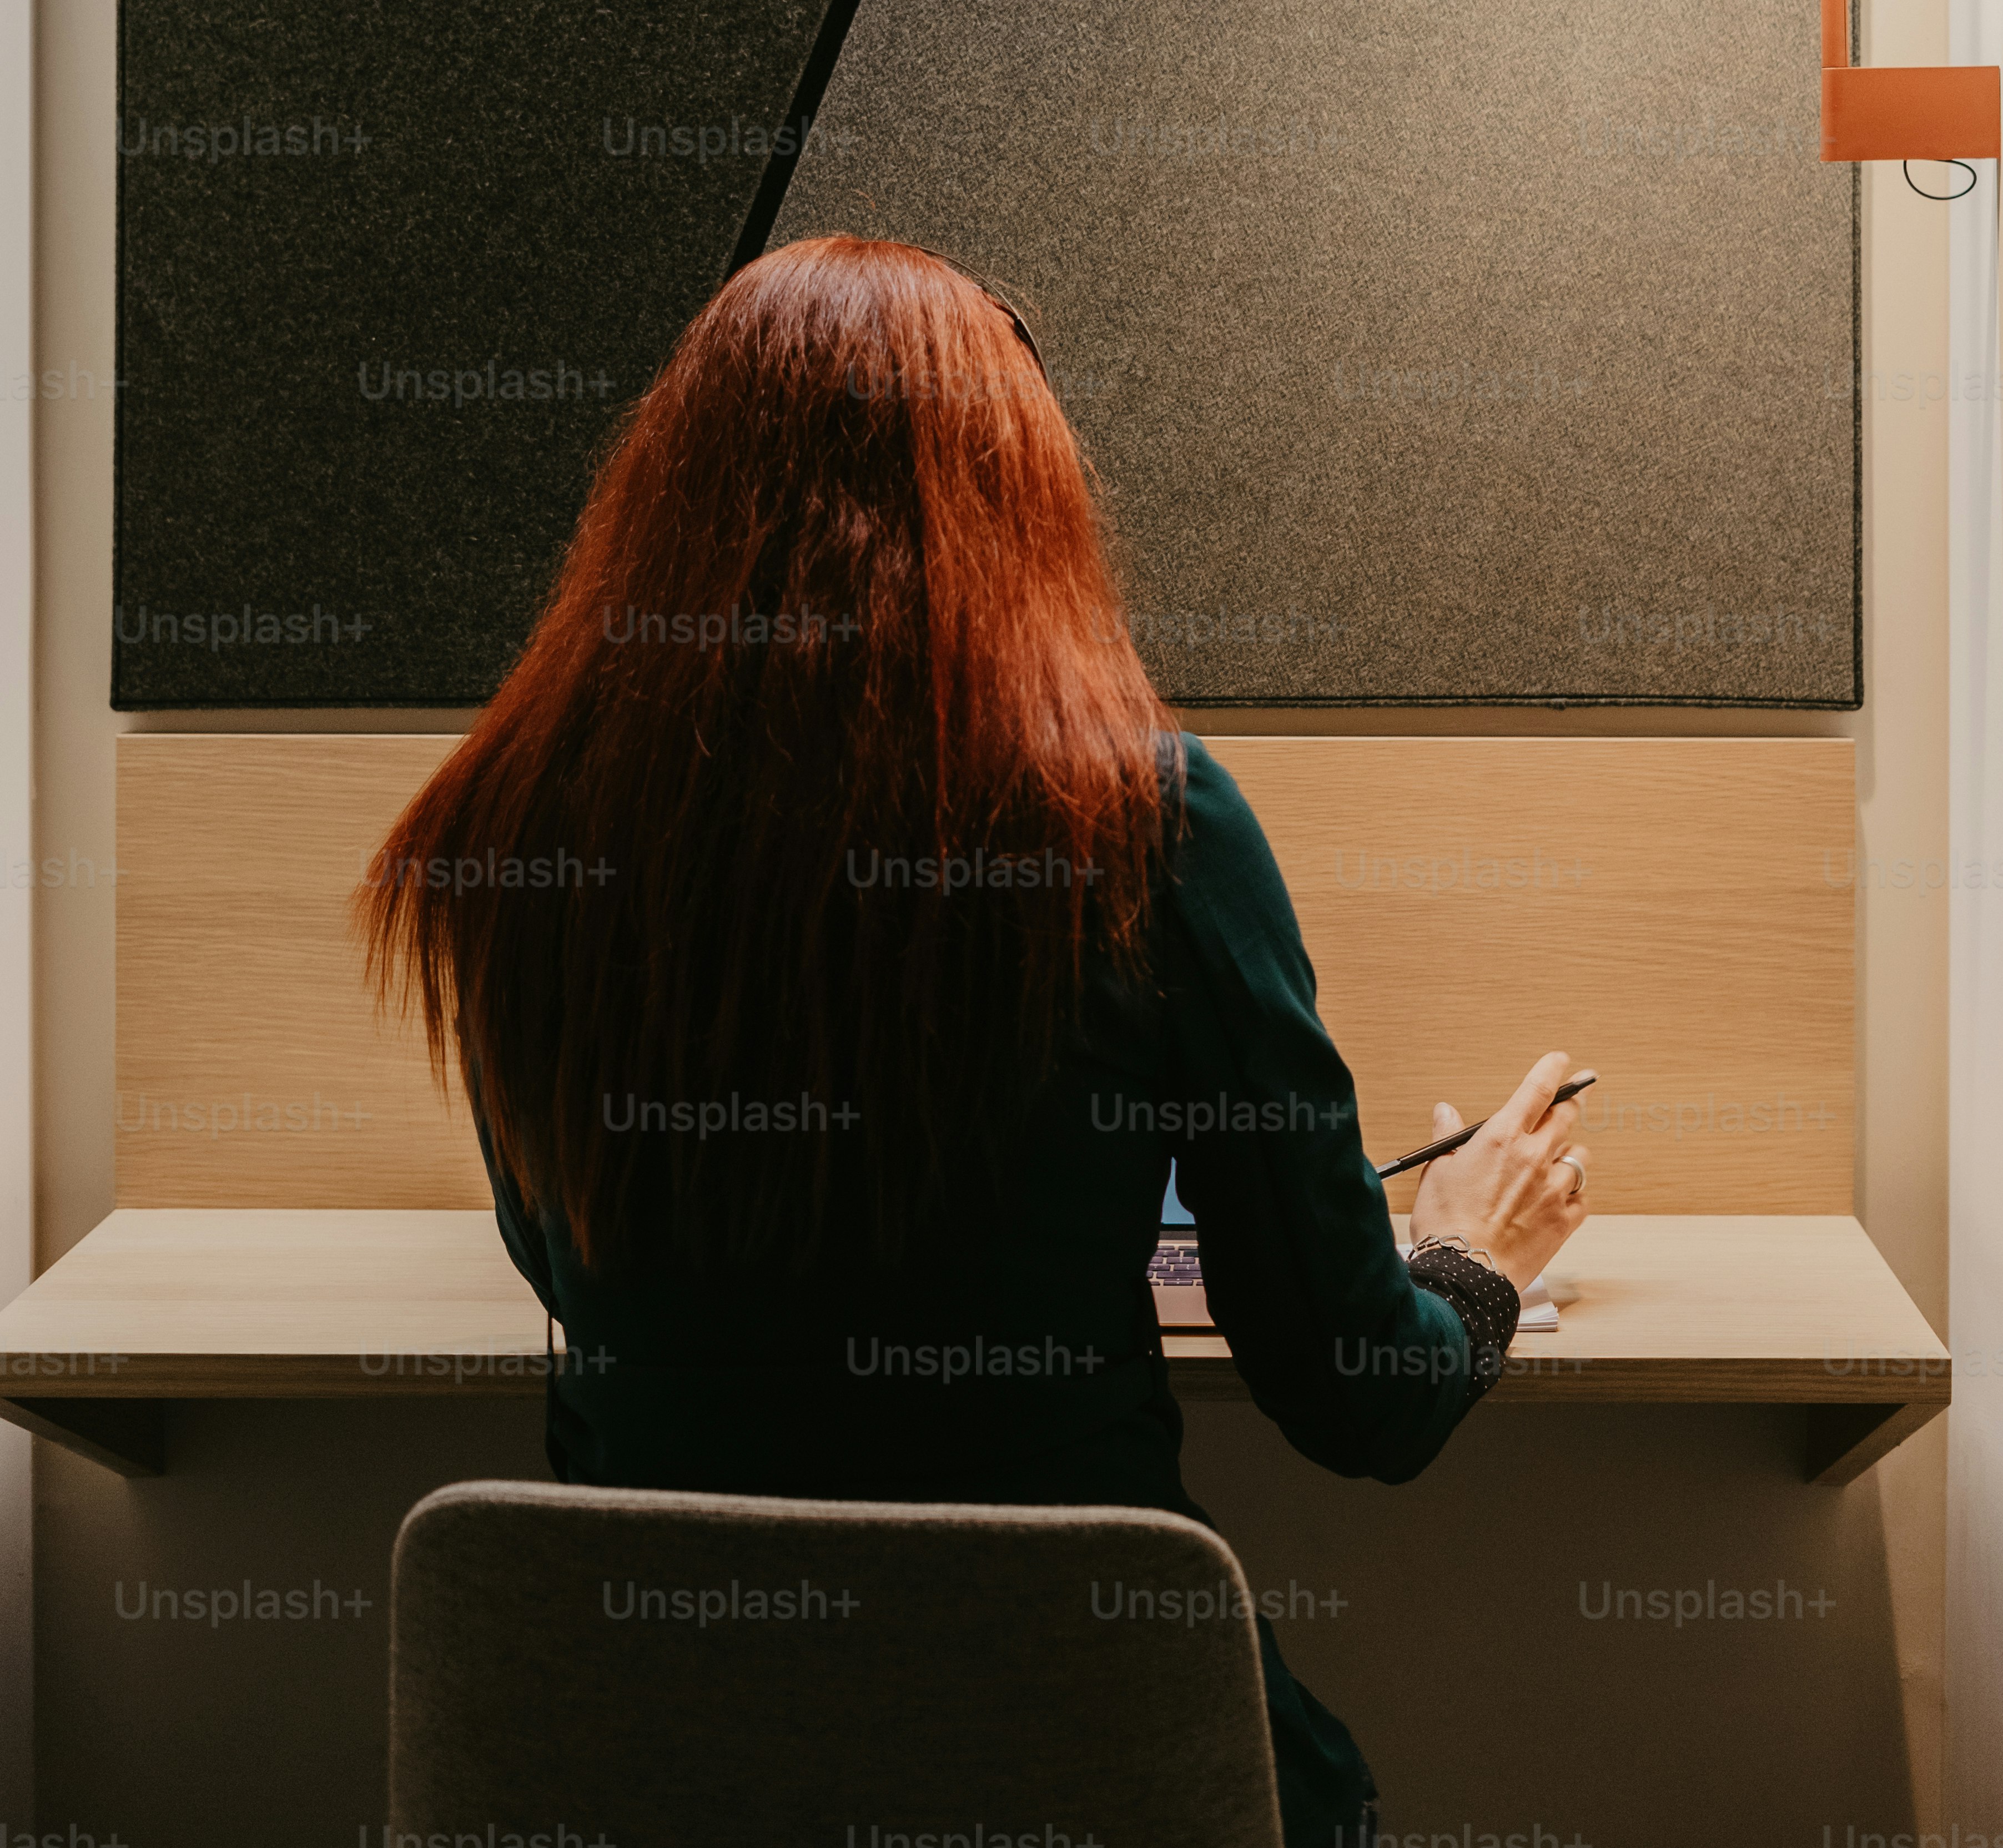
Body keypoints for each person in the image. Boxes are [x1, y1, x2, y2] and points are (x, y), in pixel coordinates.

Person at [361, 236, 1591, 1848]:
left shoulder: (518, 832)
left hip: (652, 1768)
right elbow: (1360, 1399)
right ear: (1024, 507)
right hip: (1080, 1767)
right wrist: (1469, 1257)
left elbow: (561, 1251)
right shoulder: (1144, 822)